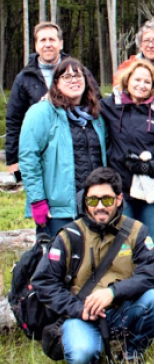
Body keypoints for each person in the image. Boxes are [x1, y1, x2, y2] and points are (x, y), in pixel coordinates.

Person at [31, 167, 154, 364]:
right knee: (81, 356)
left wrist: (113, 293)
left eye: (106, 200)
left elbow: (151, 272)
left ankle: (132, 351)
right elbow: (43, 282)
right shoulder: (68, 236)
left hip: (123, 308)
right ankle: (94, 352)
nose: (99, 207)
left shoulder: (136, 231)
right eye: (92, 200)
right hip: (82, 314)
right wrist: (78, 309)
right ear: (85, 201)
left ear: (119, 199)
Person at [101, 59, 154, 254]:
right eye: (137, 79)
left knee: (151, 244)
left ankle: (153, 281)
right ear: (127, 80)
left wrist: (149, 167)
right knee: (123, 246)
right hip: (121, 189)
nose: (141, 85)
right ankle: (127, 283)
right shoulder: (110, 106)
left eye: (147, 82)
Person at [19, 58, 107, 236]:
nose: (74, 80)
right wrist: (37, 201)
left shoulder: (96, 116)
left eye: (78, 75)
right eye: (67, 76)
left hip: (95, 205)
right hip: (59, 210)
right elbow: (29, 158)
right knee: (60, 262)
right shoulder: (42, 112)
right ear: (56, 83)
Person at [6, 22, 97, 183]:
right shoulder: (24, 78)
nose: (47, 44)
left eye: (52, 40)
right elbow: (14, 120)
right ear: (36, 45)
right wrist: (13, 160)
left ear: (60, 43)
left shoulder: (79, 72)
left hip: (79, 151)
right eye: (42, 40)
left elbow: (97, 104)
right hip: (43, 151)